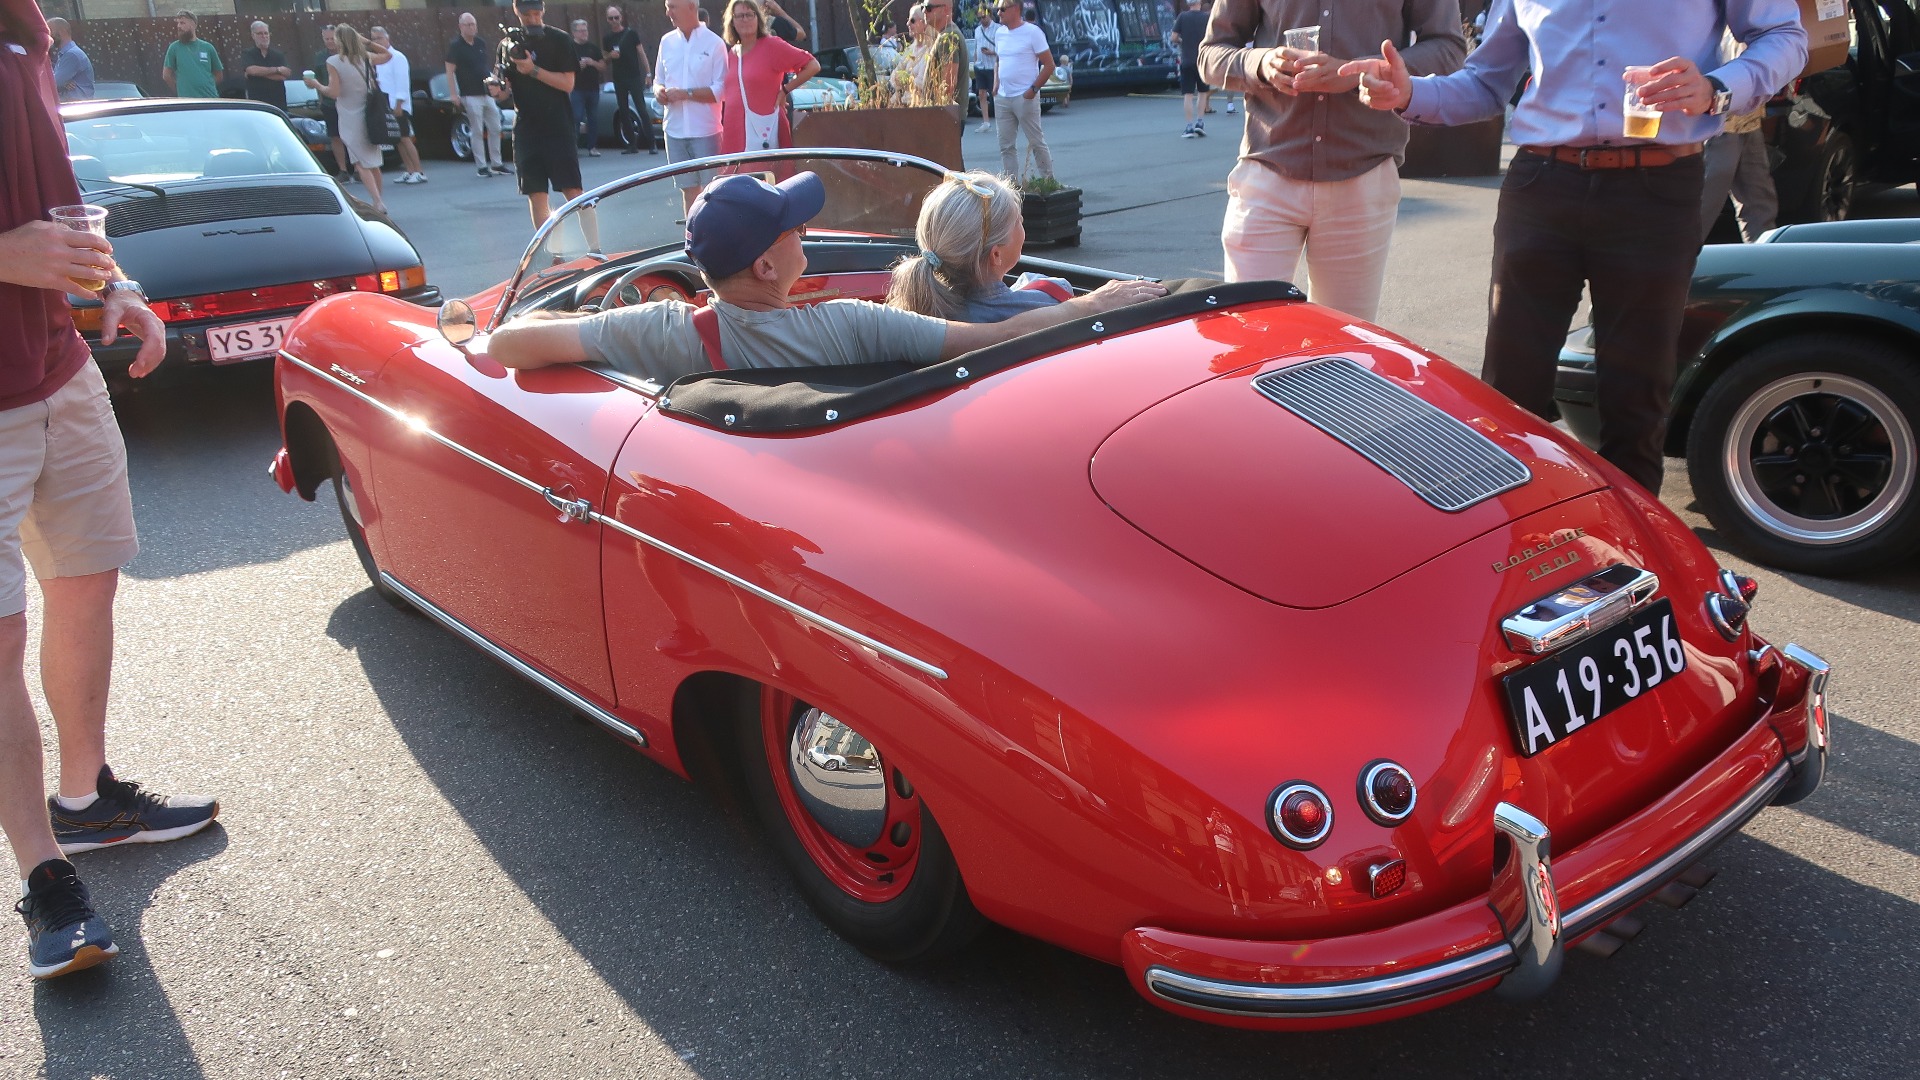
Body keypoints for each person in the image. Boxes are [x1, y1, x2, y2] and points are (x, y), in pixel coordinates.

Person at [1342, 0, 1806, 493]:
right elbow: (1485, 82)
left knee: (1635, 393)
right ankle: (1515, 534)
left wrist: (1717, 87)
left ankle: (1632, 549)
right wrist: (1409, 91)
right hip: (1541, 184)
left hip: (1656, 189)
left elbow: (1784, 36)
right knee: (1510, 387)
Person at [0, 0, 218, 981]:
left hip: (58, 370)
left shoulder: (29, 31)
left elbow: (53, 204)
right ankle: (45, 877)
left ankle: (84, 805)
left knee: (88, 578)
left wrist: (111, 283)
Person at [489, 171, 1165, 380]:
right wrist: (1091, 305)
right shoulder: (846, 325)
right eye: (794, 228)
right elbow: (979, 340)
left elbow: (507, 344)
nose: (805, 232)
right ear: (767, 264)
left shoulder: (664, 332)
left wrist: (583, 322)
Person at [1198, 0, 1463, 324]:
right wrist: (1261, 62)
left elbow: (1449, 48)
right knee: (1249, 337)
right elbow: (1210, 54)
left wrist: (1362, 71)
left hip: (1361, 174)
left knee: (1342, 351)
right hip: (1269, 171)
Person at [888, 170, 1077, 321]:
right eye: (1017, 221)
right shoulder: (1051, 296)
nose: (1022, 220)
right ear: (996, 255)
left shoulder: (913, 316)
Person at [493, 0, 590, 235]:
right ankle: (553, 253)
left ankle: (594, 248)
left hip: (558, 125)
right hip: (526, 127)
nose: (533, 19)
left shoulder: (559, 39)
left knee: (573, 191)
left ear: (543, 11)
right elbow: (505, 91)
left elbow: (568, 84)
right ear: (517, 11)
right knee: (536, 194)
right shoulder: (507, 44)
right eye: (527, 15)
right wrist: (497, 90)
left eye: (537, 13)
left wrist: (533, 70)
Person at [1698, 33, 1779, 243]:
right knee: (1704, 203)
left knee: (1759, 202)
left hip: (1748, 119)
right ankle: (1677, 265)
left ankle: (1762, 265)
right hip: (1722, 121)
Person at [303, 25, 392, 214]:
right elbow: (387, 54)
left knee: (360, 162)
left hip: (350, 116)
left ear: (338, 41)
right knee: (373, 161)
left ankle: (377, 202)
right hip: (370, 115)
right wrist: (367, 41)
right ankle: (379, 199)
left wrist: (317, 84)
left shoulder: (334, 61)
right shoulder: (366, 58)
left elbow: (334, 92)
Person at [720, 0, 818, 155]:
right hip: (734, 134)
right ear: (732, 22)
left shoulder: (772, 46)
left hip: (763, 133)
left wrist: (785, 90)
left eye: (749, 15)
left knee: (769, 177)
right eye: (739, 16)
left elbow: (813, 65)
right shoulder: (733, 53)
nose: (745, 19)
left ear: (758, 18)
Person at [656, 0, 728, 210]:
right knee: (688, 191)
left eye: (672, 6)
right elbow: (657, 80)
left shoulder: (714, 43)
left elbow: (720, 90)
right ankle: (693, 240)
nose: (668, 12)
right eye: (667, 6)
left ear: (691, 7)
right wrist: (659, 91)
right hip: (674, 130)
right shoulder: (666, 41)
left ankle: (714, 239)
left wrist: (685, 94)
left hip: (706, 130)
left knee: (712, 191)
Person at [991, 0, 1053, 181]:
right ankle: (1011, 186)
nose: (998, 13)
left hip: (1024, 96)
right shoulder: (999, 33)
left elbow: (1049, 65)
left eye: (1002, 9)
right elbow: (999, 60)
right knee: (1006, 146)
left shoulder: (1033, 33)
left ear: (1016, 9)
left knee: (1036, 141)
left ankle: (1049, 181)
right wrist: (996, 84)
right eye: (997, 10)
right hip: (1003, 97)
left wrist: (1032, 90)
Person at [447, 13, 508, 178]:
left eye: (473, 24)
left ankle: (497, 163)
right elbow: (450, 70)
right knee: (477, 130)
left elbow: (485, 66)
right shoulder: (456, 46)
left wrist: (494, 84)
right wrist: (454, 94)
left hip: (486, 91)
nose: (471, 27)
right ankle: (481, 166)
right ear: (460, 26)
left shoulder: (480, 43)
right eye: (467, 25)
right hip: (469, 93)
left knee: (495, 126)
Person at [371, 27, 427, 185]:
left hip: (398, 104)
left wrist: (399, 104)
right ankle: (409, 171)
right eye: (373, 39)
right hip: (386, 104)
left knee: (405, 137)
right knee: (397, 139)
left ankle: (419, 171)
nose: (377, 42)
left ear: (387, 38)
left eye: (379, 38)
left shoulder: (397, 57)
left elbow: (402, 82)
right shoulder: (378, 58)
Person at [603, 5, 657, 154]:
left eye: (616, 17)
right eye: (611, 18)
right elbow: (604, 60)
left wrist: (648, 74)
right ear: (607, 20)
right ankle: (631, 144)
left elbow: (641, 53)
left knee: (641, 109)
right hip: (619, 79)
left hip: (633, 76)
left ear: (621, 17)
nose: (614, 21)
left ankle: (652, 143)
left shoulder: (631, 34)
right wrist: (609, 56)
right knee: (623, 110)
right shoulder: (607, 38)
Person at [312, 25, 352, 182]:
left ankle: (357, 168)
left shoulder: (347, 54)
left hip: (348, 101)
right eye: (326, 39)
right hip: (329, 103)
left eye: (332, 38)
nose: (329, 42)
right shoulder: (319, 57)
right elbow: (318, 78)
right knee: (335, 136)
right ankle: (342, 170)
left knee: (351, 135)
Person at [1170, 0, 1210, 137]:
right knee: (1202, 92)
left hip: (1187, 60)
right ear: (1200, 3)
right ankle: (1200, 123)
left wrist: (1182, 41)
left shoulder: (1182, 17)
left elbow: (1173, 37)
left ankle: (1189, 127)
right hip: (1203, 61)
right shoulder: (1207, 18)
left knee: (1188, 94)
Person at [161, 11, 222, 99]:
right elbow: (166, 75)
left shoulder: (208, 47)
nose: (178, 26)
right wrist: (180, 90)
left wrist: (207, 84)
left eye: (182, 23)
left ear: (193, 24)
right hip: (188, 101)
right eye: (178, 23)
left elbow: (218, 74)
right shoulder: (174, 48)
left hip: (210, 98)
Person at [924, 0, 969, 107]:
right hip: (945, 115)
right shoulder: (946, 34)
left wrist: (938, 113)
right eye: (923, 7)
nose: (924, 11)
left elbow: (948, 85)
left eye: (928, 7)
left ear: (945, 9)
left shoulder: (948, 36)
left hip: (945, 117)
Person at [572, 19, 607, 157]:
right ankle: (574, 147)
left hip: (593, 88)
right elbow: (564, 67)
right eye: (580, 31)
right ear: (574, 33)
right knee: (576, 117)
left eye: (585, 30)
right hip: (576, 88)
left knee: (593, 118)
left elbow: (603, 66)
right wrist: (578, 66)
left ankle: (592, 147)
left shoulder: (593, 48)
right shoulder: (570, 47)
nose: (584, 33)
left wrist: (592, 62)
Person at [240, 21, 291, 113]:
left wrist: (258, 74)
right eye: (260, 33)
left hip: (278, 104)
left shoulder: (278, 55)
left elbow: (285, 74)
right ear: (253, 35)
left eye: (266, 33)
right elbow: (252, 70)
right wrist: (277, 69)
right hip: (257, 104)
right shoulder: (248, 53)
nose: (264, 36)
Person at [889, 4, 933, 107]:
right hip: (902, 107)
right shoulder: (909, 50)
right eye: (908, 20)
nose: (908, 23)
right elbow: (893, 76)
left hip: (919, 109)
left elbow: (922, 83)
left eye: (912, 20)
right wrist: (907, 80)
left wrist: (903, 80)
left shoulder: (930, 50)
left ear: (924, 23)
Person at [46, 18, 90, 101]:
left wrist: (60, 82)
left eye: (50, 31)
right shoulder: (64, 54)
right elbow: (57, 81)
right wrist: (63, 82)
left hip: (77, 106)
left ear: (62, 31)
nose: (49, 36)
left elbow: (52, 84)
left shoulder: (71, 54)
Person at [972, 4, 998, 133]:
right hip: (980, 65)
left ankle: (1001, 120)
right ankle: (986, 122)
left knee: (996, 94)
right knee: (982, 93)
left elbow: (1003, 49)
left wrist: (992, 52)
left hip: (993, 65)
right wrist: (976, 58)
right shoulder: (977, 30)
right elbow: (977, 45)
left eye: (984, 17)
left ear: (990, 15)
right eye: (980, 18)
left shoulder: (998, 29)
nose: (982, 20)